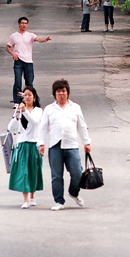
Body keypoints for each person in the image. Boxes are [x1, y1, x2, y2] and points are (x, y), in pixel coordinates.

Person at [37, 79, 91, 211]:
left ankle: (74, 192)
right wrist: (41, 144)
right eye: (58, 91)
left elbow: (82, 126)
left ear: (67, 93)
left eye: (63, 91)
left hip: (71, 144)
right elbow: (43, 127)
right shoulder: (49, 109)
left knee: (77, 172)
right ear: (55, 94)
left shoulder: (75, 108)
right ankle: (59, 201)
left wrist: (86, 142)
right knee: (56, 175)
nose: (61, 94)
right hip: (55, 146)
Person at [8, 86, 43, 209]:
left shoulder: (38, 111)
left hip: (34, 144)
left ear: (34, 98)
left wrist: (25, 111)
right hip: (22, 144)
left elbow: (34, 121)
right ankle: (26, 199)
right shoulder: (19, 109)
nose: (27, 97)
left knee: (33, 171)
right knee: (24, 172)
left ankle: (33, 196)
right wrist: (16, 116)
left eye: (30, 95)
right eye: (25, 95)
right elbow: (10, 128)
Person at [6, 17, 52, 103]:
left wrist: (44, 40)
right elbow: (8, 47)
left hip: (28, 61)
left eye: (26, 23)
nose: (24, 25)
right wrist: (13, 53)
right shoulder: (14, 36)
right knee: (18, 82)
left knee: (29, 82)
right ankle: (17, 101)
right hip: (18, 61)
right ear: (19, 24)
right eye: (22, 23)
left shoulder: (30, 35)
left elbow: (37, 39)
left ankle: (30, 100)